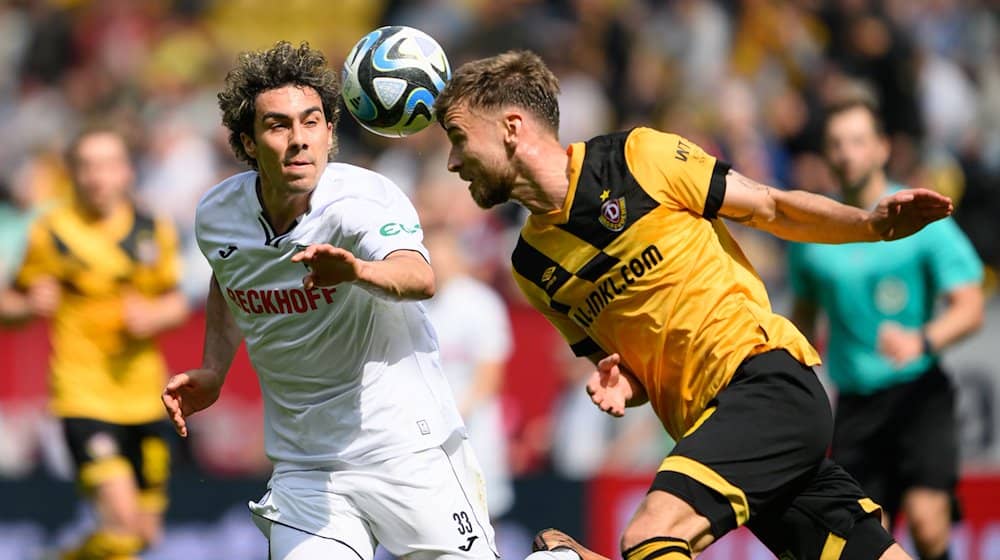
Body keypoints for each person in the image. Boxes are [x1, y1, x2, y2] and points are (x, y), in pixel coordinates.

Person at [434, 50, 954, 560]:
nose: (453, 161)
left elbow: (771, 207)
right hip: (711, 427)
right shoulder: (530, 265)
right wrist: (625, 383)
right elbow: (623, 369)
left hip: (763, 383)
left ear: (511, 126)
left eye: (459, 138)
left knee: (649, 537)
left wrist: (869, 225)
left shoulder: (637, 158)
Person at [160, 41, 498, 560]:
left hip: (407, 448)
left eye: (312, 122)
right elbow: (229, 278)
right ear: (248, 143)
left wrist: (358, 271)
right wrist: (214, 368)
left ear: (331, 131)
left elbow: (419, 274)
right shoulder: (217, 214)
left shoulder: (365, 199)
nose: (299, 141)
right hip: (307, 469)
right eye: (278, 126)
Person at [788, 98, 984, 560]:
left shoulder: (919, 216)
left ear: (881, 148)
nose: (846, 153)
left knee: (928, 522)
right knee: (865, 538)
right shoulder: (814, 232)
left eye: (857, 141)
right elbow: (802, 320)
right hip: (856, 407)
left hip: (919, 396)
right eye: (836, 143)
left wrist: (922, 340)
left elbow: (970, 306)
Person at [6, 125, 190, 559]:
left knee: (143, 536)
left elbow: (177, 301)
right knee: (122, 522)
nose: (97, 177)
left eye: (107, 165)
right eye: (86, 166)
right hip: (83, 397)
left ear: (126, 172)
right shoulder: (52, 232)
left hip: (145, 397)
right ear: (71, 173)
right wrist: (29, 303)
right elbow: (7, 304)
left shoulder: (152, 230)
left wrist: (153, 316)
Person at [423, 228, 515, 521]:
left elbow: (490, 375)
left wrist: (454, 415)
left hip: (474, 434)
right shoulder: (415, 307)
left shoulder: (481, 303)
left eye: (441, 253)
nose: (436, 261)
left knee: (482, 518)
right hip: (424, 436)